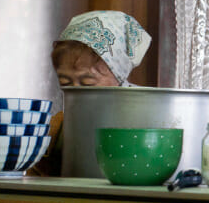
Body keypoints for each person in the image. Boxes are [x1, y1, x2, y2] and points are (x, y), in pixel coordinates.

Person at [32, 11, 152, 176]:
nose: (76, 90)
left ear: (119, 75)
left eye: (87, 83)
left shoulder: (146, 117)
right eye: (65, 83)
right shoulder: (59, 126)